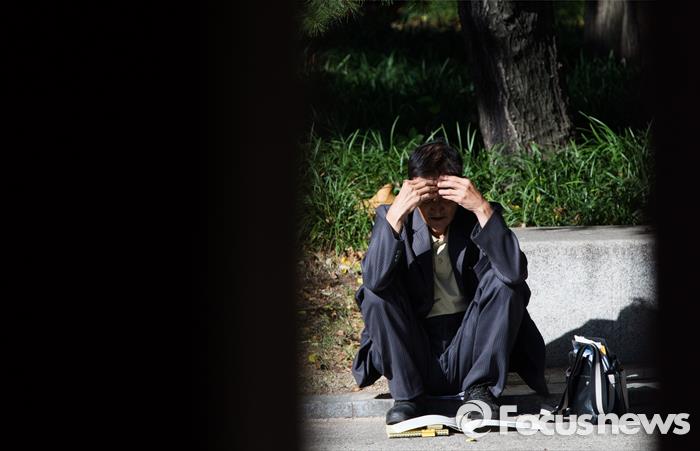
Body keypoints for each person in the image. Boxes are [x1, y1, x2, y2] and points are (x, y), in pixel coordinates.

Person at [351, 140, 549, 425]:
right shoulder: (394, 220)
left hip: (470, 348)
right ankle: (408, 398)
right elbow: (373, 280)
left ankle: (481, 392)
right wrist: (396, 214)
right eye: (427, 198)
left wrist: (481, 208)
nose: (436, 208)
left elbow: (515, 275)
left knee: (505, 283)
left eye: (444, 197)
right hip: (415, 352)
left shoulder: (479, 217)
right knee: (375, 293)